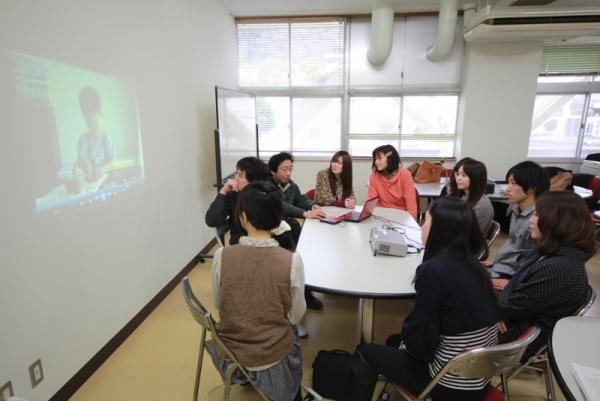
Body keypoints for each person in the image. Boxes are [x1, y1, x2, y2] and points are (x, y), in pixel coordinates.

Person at [346, 197, 499, 401]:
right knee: (394, 340)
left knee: (364, 352)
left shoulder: (433, 271)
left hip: (450, 384)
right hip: (478, 375)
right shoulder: (475, 266)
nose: (421, 227)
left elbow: (420, 345)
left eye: (425, 221)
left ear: (440, 230)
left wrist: (408, 337)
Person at [208, 181, 306, 401]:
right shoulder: (291, 261)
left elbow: (218, 302)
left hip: (231, 349)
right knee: (294, 333)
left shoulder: (222, 256)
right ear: (277, 218)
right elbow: (295, 315)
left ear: (243, 217)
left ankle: (245, 377)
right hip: (273, 355)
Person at [497, 191, 595, 358]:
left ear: (559, 222)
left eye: (537, 215)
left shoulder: (560, 268)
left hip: (521, 337)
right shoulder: (550, 251)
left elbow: (512, 306)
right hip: (515, 321)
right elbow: (513, 290)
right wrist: (499, 310)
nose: (531, 220)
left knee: (451, 316)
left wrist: (496, 313)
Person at [269, 151, 325, 310]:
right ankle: (305, 291)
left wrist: (311, 205)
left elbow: (300, 198)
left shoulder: (290, 184)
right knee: (299, 250)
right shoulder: (267, 186)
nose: (288, 172)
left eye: (290, 169)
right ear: (273, 171)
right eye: (284, 169)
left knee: (305, 247)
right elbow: (281, 206)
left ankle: (307, 283)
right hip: (275, 232)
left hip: (288, 229)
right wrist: (304, 213)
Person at [486, 161, 550, 281]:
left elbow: (542, 261)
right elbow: (513, 244)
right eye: (508, 183)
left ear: (532, 188)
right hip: (502, 268)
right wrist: (496, 261)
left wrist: (513, 284)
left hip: (517, 278)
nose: (508, 189)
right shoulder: (514, 207)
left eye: (513, 183)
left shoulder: (541, 218)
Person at [205, 157, 270, 245]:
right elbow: (212, 221)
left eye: (240, 175)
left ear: (254, 180)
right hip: (239, 247)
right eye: (236, 174)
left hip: (264, 244)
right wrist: (222, 192)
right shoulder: (233, 195)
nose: (235, 179)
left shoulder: (268, 196)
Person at [73, 86, 116, 183]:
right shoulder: (83, 140)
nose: (90, 121)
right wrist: (85, 164)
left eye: (93, 117)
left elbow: (114, 162)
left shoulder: (106, 139)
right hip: (89, 182)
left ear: (100, 118)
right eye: (87, 118)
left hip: (105, 182)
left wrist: (103, 168)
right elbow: (80, 161)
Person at [367, 144, 418, 220]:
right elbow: (371, 202)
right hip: (380, 216)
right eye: (375, 159)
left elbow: (411, 205)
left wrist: (411, 225)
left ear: (390, 157)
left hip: (400, 217)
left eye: (379, 158)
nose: (376, 162)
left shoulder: (405, 174)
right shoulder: (374, 176)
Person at [446, 157, 494, 236]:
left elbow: (471, 236)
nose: (458, 178)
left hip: (467, 245)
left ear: (475, 178)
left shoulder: (482, 205)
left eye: (464, 175)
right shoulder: (462, 195)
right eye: (457, 174)